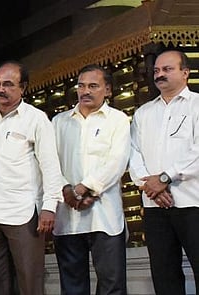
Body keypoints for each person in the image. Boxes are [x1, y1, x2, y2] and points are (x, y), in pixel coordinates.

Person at [0, 61, 65, 295]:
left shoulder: (36, 119)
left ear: (23, 88)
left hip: (22, 213)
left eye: (8, 84)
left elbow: (50, 166)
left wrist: (49, 207)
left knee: (29, 282)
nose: (0, 89)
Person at [51, 64, 129, 295]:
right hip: (68, 216)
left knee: (112, 286)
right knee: (72, 287)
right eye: (81, 85)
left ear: (108, 90)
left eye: (93, 86)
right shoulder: (59, 122)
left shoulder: (118, 120)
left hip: (104, 215)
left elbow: (117, 161)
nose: (85, 91)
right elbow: (50, 163)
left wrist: (84, 189)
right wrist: (68, 192)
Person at [130, 49, 199, 294]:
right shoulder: (143, 113)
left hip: (192, 203)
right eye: (157, 70)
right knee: (164, 274)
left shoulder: (197, 105)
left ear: (185, 73)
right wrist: (150, 187)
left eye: (167, 69)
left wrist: (164, 178)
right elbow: (133, 154)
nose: (160, 75)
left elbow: (197, 152)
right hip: (154, 207)